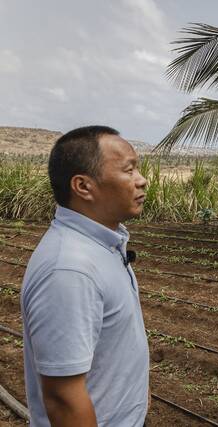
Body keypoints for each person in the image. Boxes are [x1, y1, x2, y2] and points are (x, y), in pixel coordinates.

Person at [20, 126, 149, 427]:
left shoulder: (104, 244)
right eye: (129, 170)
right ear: (83, 186)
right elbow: (63, 399)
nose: (141, 180)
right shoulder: (69, 269)